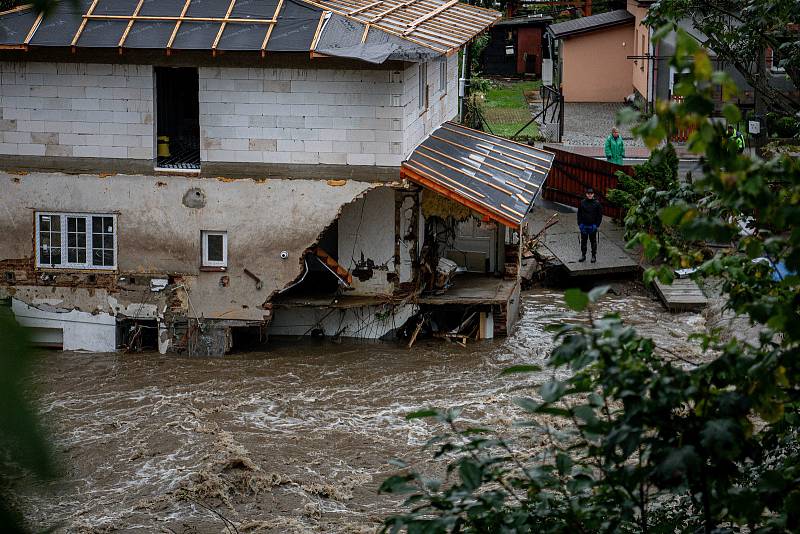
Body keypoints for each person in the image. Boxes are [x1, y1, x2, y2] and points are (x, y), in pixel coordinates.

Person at [578, 187, 603, 263]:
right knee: (583, 242)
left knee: (593, 242)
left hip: (592, 226)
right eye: (588, 194)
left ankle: (593, 256)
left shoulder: (597, 203)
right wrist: (579, 224)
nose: (589, 195)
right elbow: (579, 214)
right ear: (586, 194)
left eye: (591, 194)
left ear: (593, 194)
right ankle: (583, 255)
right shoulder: (582, 202)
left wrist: (597, 225)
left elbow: (600, 215)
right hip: (584, 226)